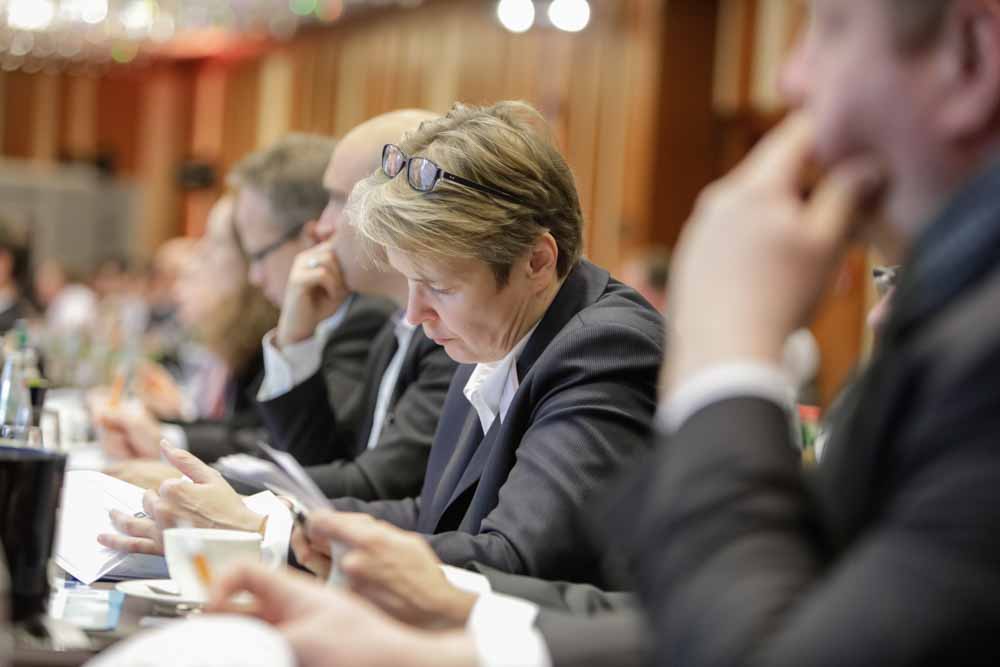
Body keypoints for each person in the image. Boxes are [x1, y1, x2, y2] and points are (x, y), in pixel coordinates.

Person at [184, 1, 1000, 666]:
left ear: (970, 54)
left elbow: (749, 631)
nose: (792, 76)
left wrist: (723, 358)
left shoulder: (603, 343)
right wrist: (451, 642)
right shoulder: (502, 341)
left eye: (829, 27)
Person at [103, 102, 664, 588]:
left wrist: (264, 533)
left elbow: (516, 562)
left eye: (439, 287)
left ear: (537, 261)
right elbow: (429, 513)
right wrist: (261, 510)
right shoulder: (497, 334)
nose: (416, 315)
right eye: (410, 284)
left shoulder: (604, 349)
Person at [98, 111, 459, 548]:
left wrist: (215, 487)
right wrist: (294, 341)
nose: (320, 229)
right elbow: (323, 458)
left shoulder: (437, 333)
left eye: (337, 200)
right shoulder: (392, 329)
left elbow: (375, 482)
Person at [97, 195, 278, 466]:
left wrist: (163, 435)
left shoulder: (268, 345)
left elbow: (258, 441)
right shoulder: (235, 343)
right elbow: (231, 428)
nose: (197, 260)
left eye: (212, 247)